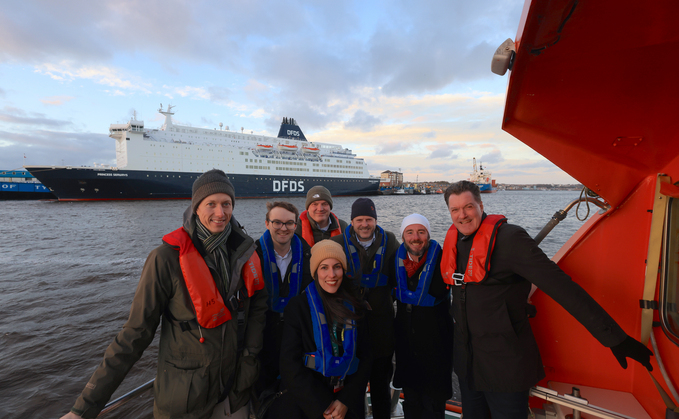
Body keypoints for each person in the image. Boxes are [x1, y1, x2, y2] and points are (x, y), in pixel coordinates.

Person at [60, 169, 268, 419]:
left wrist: (249, 359)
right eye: (210, 204)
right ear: (196, 207)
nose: (220, 213)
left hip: (234, 392)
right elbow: (135, 334)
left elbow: (257, 308)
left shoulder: (243, 250)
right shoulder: (166, 259)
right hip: (186, 400)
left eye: (226, 204)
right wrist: (85, 407)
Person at [441, 180, 653, 419]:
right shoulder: (454, 242)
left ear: (480, 204)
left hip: (505, 366)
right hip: (468, 365)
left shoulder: (510, 239)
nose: (462, 216)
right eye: (455, 210)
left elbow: (561, 287)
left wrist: (614, 338)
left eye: (468, 207)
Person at [280, 240, 372, 419]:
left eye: (337, 267)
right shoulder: (298, 308)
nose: (332, 274)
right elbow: (289, 363)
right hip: (311, 404)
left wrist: (346, 401)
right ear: (315, 272)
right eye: (324, 267)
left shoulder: (357, 306)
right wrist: (323, 405)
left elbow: (366, 356)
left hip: (347, 401)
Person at [331, 198, 399, 419]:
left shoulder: (389, 240)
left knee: (381, 384)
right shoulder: (339, 243)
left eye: (369, 219)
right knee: (353, 386)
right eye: (359, 219)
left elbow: (400, 275)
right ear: (352, 221)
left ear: (375, 220)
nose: (364, 224)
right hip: (351, 326)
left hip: (382, 326)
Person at [252, 201, 313, 418]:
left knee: (293, 395)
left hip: (296, 338)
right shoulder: (251, 256)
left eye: (289, 223)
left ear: (296, 225)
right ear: (267, 223)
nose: (283, 228)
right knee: (263, 396)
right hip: (262, 337)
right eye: (277, 222)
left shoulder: (309, 256)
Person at [391, 214, 453, 419]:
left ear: (428, 235)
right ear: (403, 236)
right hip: (407, 350)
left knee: (434, 408)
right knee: (411, 404)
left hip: (436, 350)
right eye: (409, 232)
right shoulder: (395, 262)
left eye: (421, 232)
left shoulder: (445, 261)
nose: (415, 237)